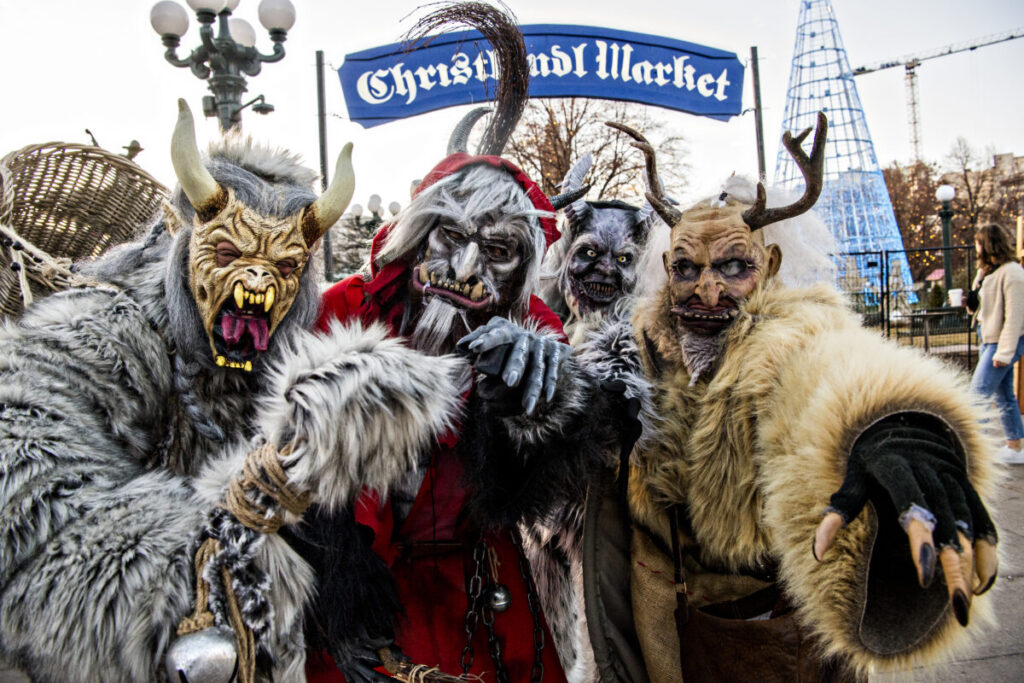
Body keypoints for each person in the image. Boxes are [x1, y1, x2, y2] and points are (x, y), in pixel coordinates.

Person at [0, 100, 470, 682]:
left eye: (284, 266)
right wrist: (194, 582)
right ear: (187, 241)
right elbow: (23, 466)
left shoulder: (289, 353)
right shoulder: (108, 331)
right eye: (228, 253)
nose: (257, 282)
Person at [577, 114, 1000, 682]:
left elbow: (830, 370)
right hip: (657, 603)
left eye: (733, 267)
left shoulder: (790, 333)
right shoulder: (638, 345)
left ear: (770, 265)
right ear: (665, 268)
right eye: (687, 268)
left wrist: (890, 429)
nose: (707, 291)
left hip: (769, 620)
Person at [289, 4, 619, 682]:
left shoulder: (532, 327)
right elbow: (290, 465)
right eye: (452, 238)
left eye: (496, 252)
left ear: (520, 270)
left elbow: (542, 485)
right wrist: (332, 593)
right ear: (418, 234)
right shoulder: (343, 309)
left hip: (480, 586)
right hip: (356, 588)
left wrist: (540, 405)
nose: (467, 269)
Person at [969, 223, 1024, 464]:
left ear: (988, 243)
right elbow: (977, 306)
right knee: (1004, 397)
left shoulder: (1012, 273)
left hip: (1002, 343)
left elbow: (1015, 317)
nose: (976, 247)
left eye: (978, 242)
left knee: (977, 397)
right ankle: (1015, 447)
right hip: (988, 340)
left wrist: (1004, 352)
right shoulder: (989, 271)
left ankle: (975, 455)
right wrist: (977, 285)